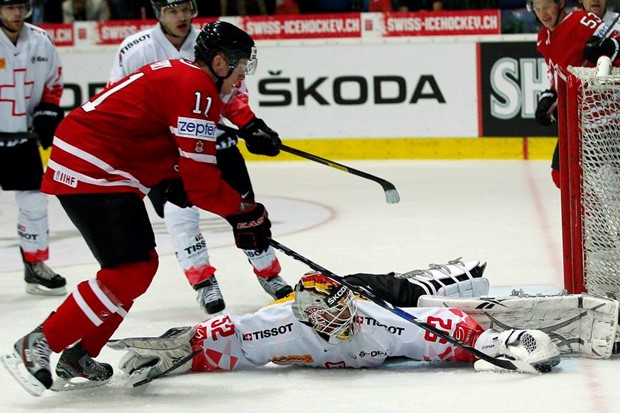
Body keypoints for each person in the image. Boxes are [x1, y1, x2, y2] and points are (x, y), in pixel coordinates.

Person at [0, 20, 279, 397]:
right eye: (241, 66)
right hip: (93, 169)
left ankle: (80, 354)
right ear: (218, 62)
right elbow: (202, 185)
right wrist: (246, 212)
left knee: (138, 268)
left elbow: (157, 138)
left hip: (102, 166)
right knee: (127, 271)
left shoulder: (189, 81)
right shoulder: (196, 89)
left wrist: (174, 178)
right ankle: (39, 342)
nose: (242, 76)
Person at [108, 0, 291, 316]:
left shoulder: (218, 39)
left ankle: (270, 274)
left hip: (218, 146)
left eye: (184, 9)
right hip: (168, 157)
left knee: (246, 212)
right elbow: (120, 99)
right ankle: (204, 283)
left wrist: (250, 124)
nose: (180, 17)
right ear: (158, 13)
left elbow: (233, 93)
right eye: (171, 10)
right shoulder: (135, 49)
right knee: (181, 219)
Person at [108, 266, 562, 384]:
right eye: (333, 318)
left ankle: (451, 274)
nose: (346, 323)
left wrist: (492, 342)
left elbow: (433, 326)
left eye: (345, 312)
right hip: (327, 291)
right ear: (308, 318)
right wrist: (184, 350)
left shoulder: (372, 318)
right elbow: (231, 337)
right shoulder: (279, 323)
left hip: (370, 288)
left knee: (416, 291)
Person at [0, 0, 66, 296]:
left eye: (21, 6)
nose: (17, 13)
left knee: (35, 202)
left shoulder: (41, 40)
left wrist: (48, 109)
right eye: (9, 7)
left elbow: (54, 82)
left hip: (24, 137)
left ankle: (35, 264)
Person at [531, 0, 620, 188]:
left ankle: (602, 216)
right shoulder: (543, 38)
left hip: (603, 119)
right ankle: (594, 217)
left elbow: (614, 44)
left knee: (607, 182)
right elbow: (557, 77)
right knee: (560, 176)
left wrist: (609, 49)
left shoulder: (583, 20)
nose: (543, 14)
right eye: (537, 9)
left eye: (546, 6)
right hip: (575, 121)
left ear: (561, 3)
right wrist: (549, 97)